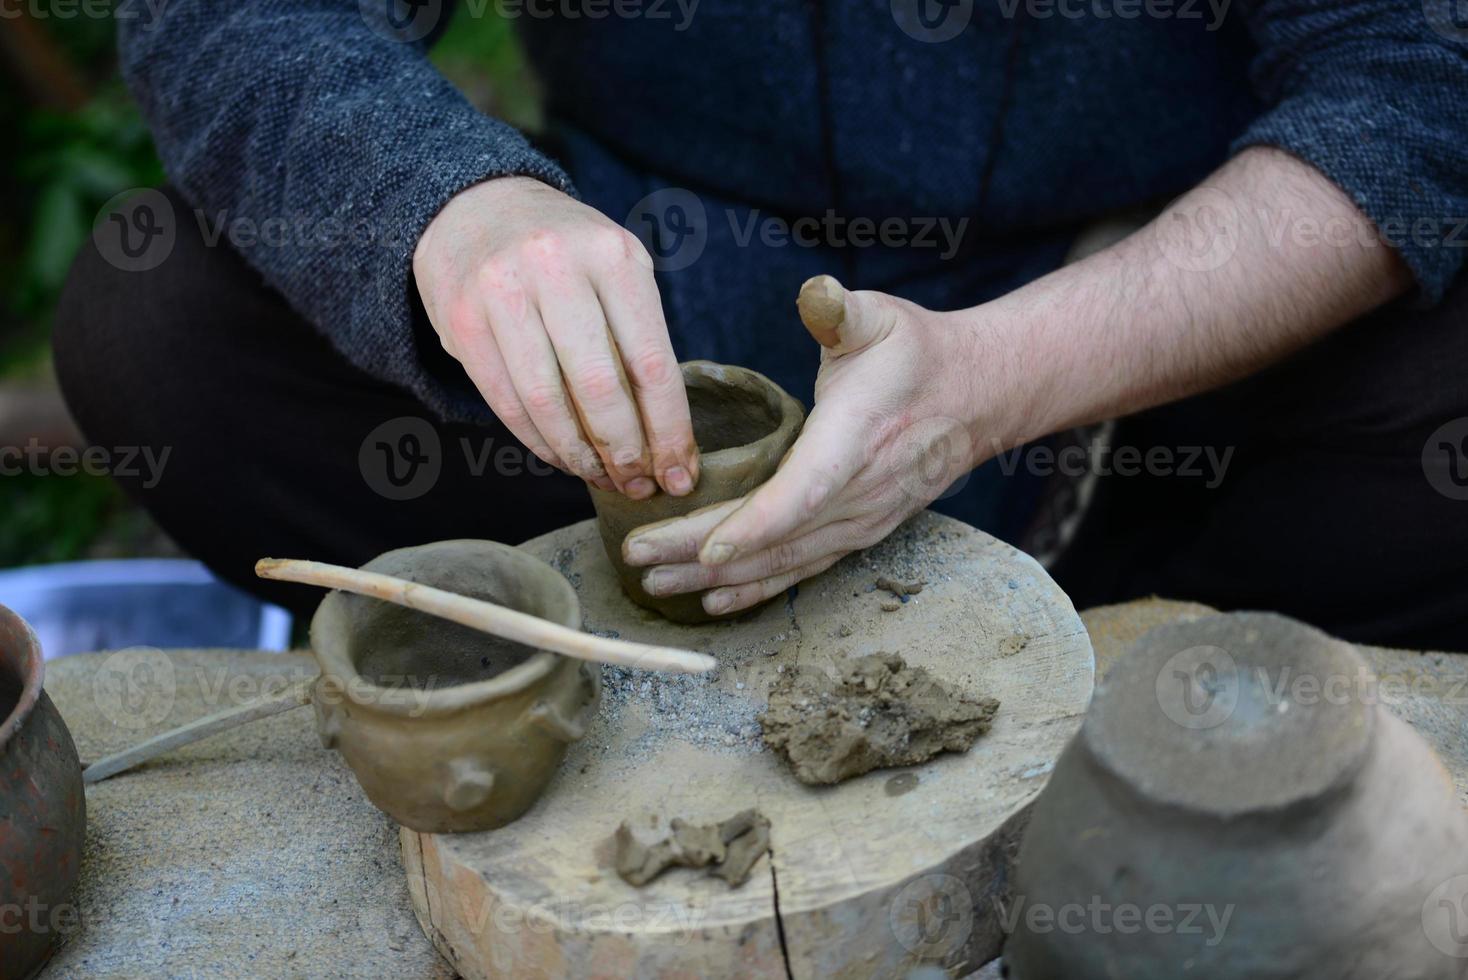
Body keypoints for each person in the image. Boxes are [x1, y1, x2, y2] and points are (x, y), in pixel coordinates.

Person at [55, 1, 1468, 648]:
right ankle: (568, 658)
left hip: (1129, 370)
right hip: (642, 354)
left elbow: (1416, 76)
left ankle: (1150, 671)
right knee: (161, 319)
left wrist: (1001, 375)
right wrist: (447, 205)